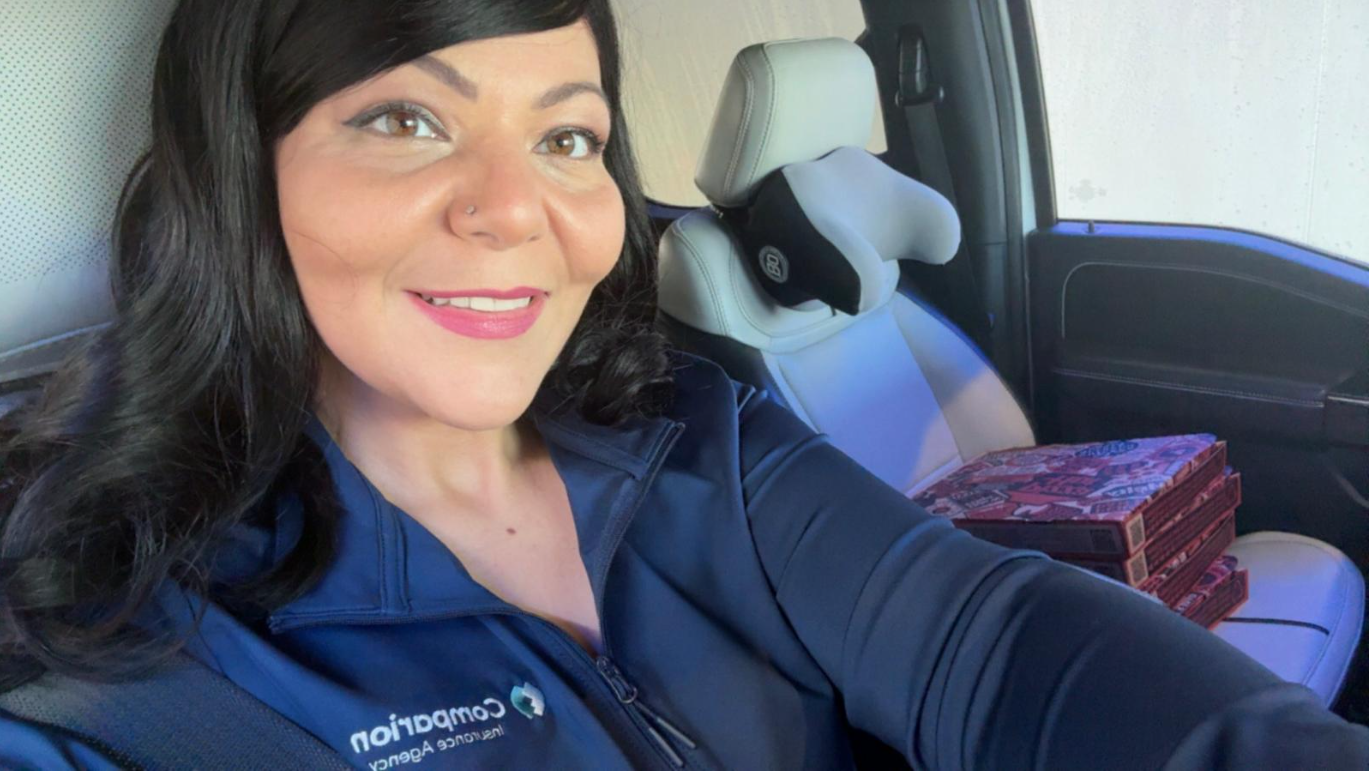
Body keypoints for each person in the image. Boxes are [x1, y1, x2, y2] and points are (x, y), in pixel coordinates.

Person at [0, 0, 1364, 768]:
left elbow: (996, 642)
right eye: (407, 120)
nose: (515, 209)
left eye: (567, 139)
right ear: (243, 176)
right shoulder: (113, 648)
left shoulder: (698, 443)